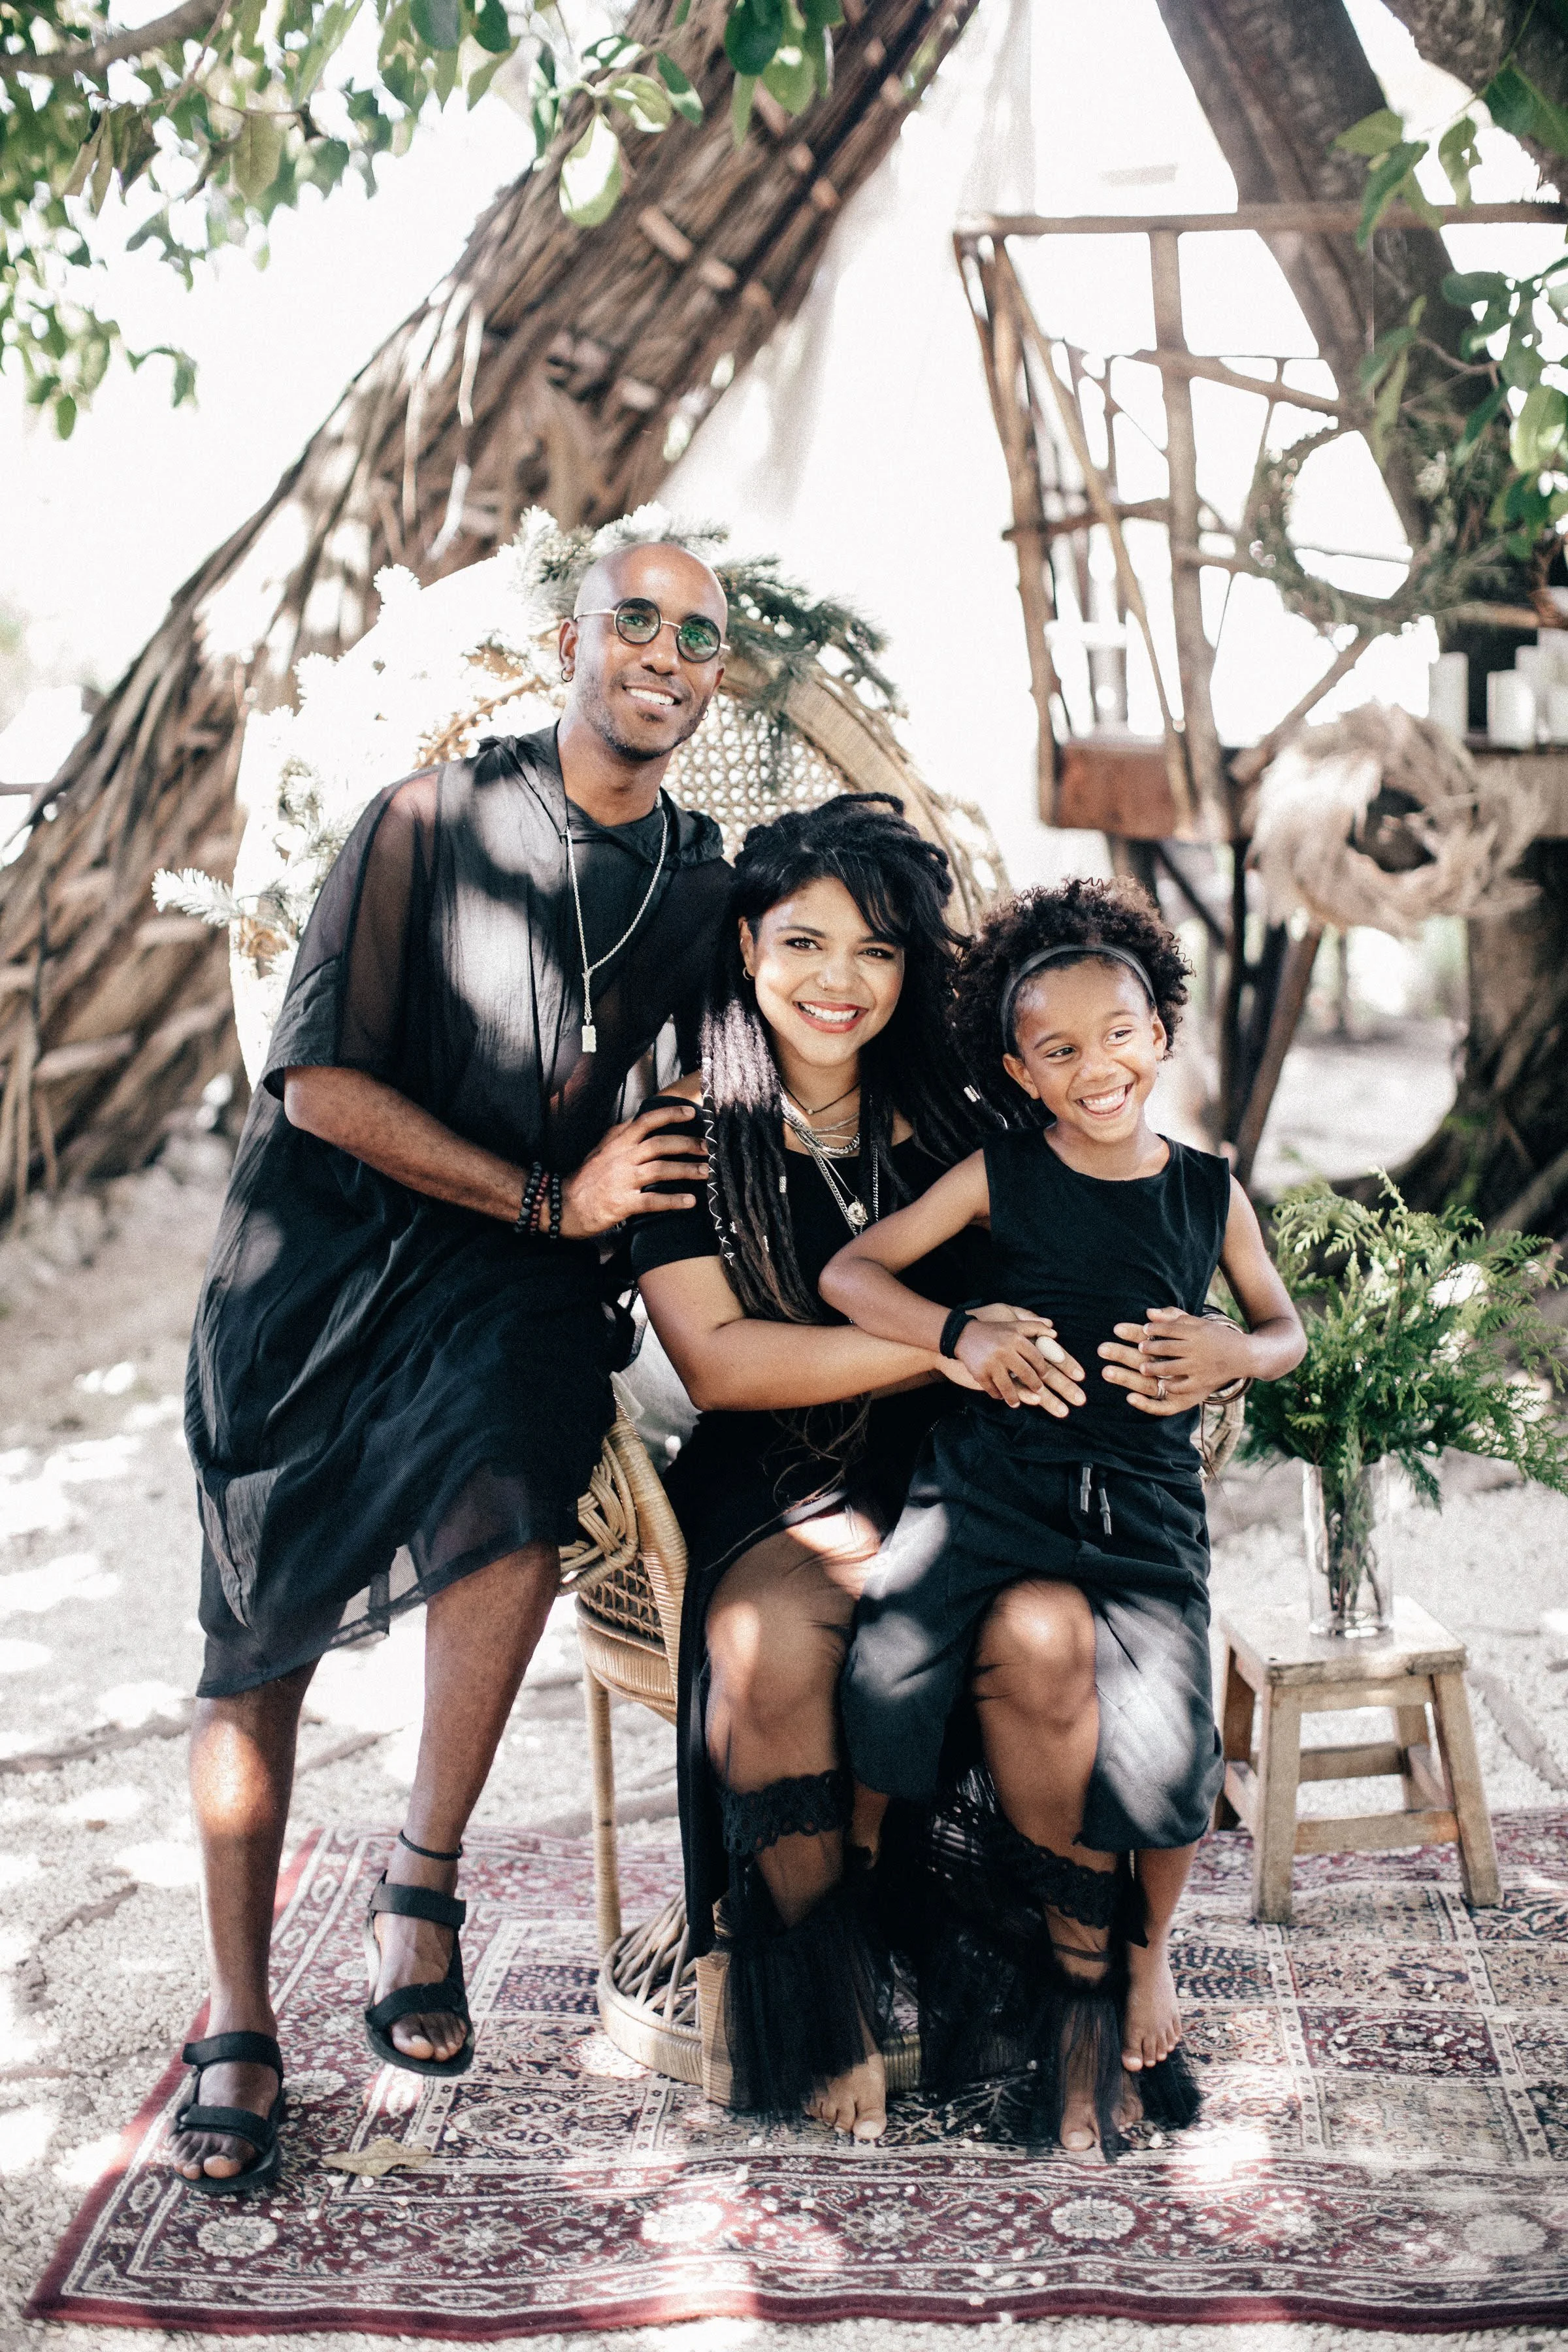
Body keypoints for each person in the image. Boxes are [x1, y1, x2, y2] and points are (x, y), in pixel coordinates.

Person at [170, 540, 735, 2191]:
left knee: (520, 1443)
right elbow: (320, 1088)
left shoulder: (702, 886)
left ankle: (422, 1889)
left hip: (515, 1280)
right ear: (575, 639)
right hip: (319, 1262)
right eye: (637, 617)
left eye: (699, 635)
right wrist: (554, 1192)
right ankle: (234, 2012)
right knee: (250, 1627)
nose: (665, 650)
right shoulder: (427, 820)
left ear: (716, 679)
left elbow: (749, 1072)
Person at [630, 794, 1092, 2144]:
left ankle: (1053, 1979)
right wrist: (942, 1345)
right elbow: (720, 1363)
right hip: (773, 1471)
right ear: (746, 948)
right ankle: (822, 1999)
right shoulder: (687, 1135)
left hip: (965, 1462)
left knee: (1039, 1639)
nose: (841, 982)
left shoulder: (955, 1118)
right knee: (772, 1642)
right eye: (805, 944)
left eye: (878, 952)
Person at [821, 876, 1306, 2161]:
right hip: (993, 1481)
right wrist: (955, 1332)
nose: (1098, 1067)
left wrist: (1231, 1353)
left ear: (1162, 1037)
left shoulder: (1210, 1192)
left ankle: (1143, 1969)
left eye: (1120, 1037)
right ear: (1022, 1070)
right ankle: (859, 1921)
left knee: (1172, 1744)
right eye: (1061, 1048)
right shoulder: (1000, 1177)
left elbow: (1285, 1330)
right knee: (884, 1665)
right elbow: (849, 1273)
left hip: (1142, 1499)